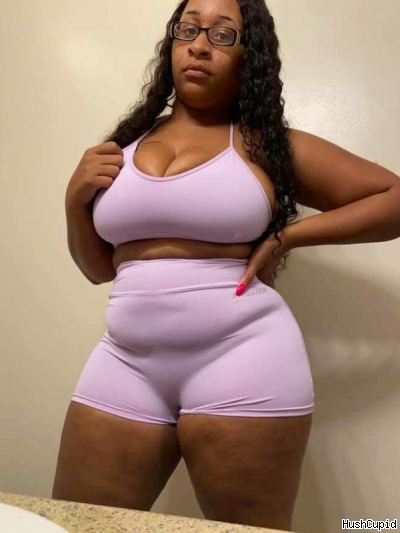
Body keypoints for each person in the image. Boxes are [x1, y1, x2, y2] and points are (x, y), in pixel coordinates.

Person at [53, 0, 400, 530]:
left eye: (222, 35)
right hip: (126, 360)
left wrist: (287, 236)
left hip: (242, 357)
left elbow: (391, 197)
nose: (199, 45)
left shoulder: (263, 143)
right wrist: (74, 202)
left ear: (249, 55)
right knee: (75, 524)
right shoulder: (122, 147)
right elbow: (100, 269)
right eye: (188, 29)